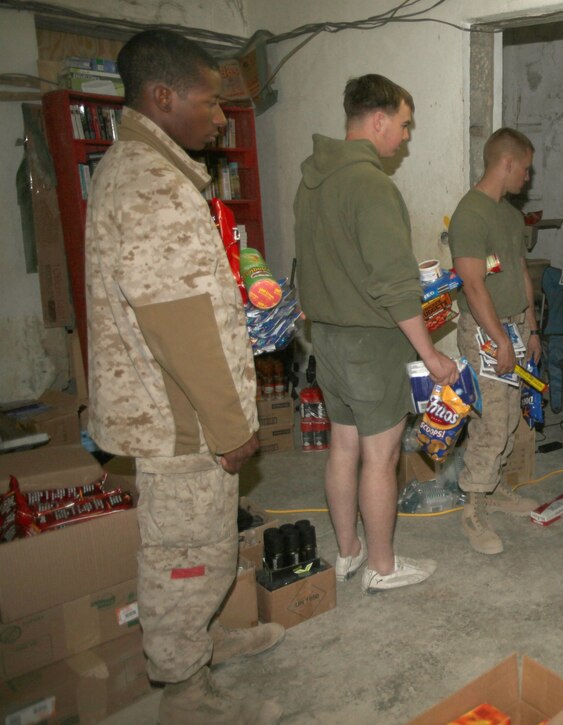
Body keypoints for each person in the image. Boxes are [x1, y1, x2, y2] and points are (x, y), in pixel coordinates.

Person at [85, 29, 283, 724]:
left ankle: (203, 644)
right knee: (183, 559)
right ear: (163, 96)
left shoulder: (153, 171)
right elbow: (181, 325)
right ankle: (185, 693)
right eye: (213, 100)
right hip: (181, 420)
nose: (223, 115)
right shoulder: (151, 185)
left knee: (204, 541)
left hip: (183, 410)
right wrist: (230, 427)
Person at [294, 75, 458, 593]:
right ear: (379, 119)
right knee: (381, 456)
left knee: (343, 447)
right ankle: (383, 567)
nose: (405, 138)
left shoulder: (312, 180)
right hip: (371, 341)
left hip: (327, 338)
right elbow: (393, 283)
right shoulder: (371, 185)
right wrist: (430, 353)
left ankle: (348, 553)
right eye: (404, 126)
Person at [449, 128, 543, 555]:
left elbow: (519, 271)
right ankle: (472, 506)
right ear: (507, 163)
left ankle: (495, 487)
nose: (527, 176)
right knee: (491, 420)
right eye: (525, 168)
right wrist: (499, 338)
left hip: (514, 329)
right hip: (486, 331)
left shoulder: (509, 214)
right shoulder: (470, 213)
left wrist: (530, 327)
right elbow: (472, 283)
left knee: (510, 417)